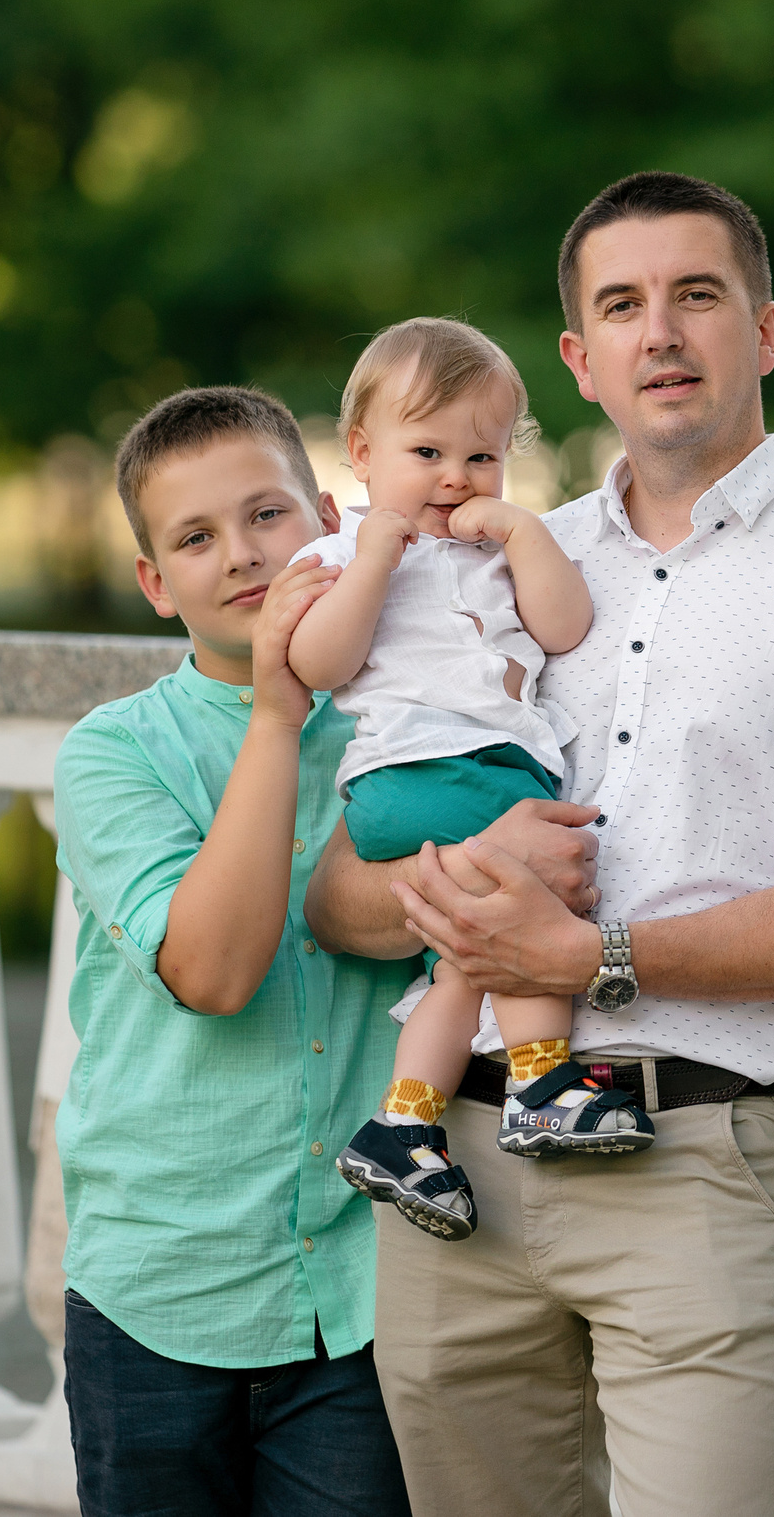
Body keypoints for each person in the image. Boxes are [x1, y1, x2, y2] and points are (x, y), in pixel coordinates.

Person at [305, 172, 774, 1517]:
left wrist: (584, 950)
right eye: (623, 305)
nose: (660, 331)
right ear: (580, 359)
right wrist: (451, 889)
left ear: (766, 330)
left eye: (697, 296)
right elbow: (333, 897)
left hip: (691, 1158)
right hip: (456, 1170)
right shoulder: (489, 557)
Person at [48, 385, 599, 1515]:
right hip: (160, 1282)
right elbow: (213, 973)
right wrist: (273, 712)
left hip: (361, 1294)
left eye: (267, 515)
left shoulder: (420, 731)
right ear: (156, 584)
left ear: (336, 519)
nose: (244, 557)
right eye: (195, 540)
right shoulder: (114, 755)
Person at [291, 318, 648, 1247]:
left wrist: (523, 536)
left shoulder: (498, 549)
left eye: (482, 456)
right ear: (363, 454)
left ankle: (404, 1124)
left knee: (467, 957)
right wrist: (372, 561)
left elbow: (565, 626)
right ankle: (542, 1079)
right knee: (534, 901)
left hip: (491, 770)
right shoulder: (343, 552)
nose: (456, 478)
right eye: (427, 451)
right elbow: (320, 661)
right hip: (419, 771)